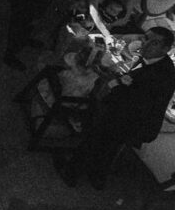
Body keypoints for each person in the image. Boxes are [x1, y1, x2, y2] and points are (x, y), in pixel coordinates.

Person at [58, 27, 175, 189]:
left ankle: (71, 171)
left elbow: (136, 100)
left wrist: (113, 84)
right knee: (108, 145)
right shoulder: (156, 61)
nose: (146, 44)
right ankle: (96, 176)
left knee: (97, 136)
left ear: (166, 49)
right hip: (129, 113)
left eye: (154, 43)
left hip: (133, 119)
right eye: (146, 38)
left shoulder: (162, 74)